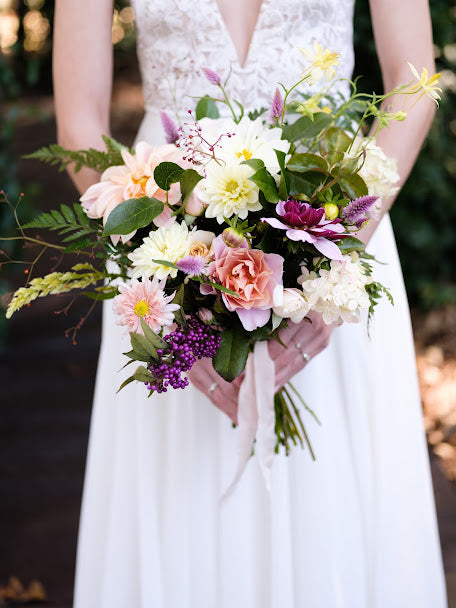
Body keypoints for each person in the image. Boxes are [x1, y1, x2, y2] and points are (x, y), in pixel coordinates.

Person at [53, 0, 447, 606]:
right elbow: (79, 120)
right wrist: (163, 272)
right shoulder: (161, 263)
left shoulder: (336, 252)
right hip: (160, 246)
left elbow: (414, 82)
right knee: (179, 504)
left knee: (331, 502)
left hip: (338, 220)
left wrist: (328, 267)